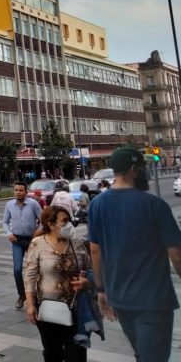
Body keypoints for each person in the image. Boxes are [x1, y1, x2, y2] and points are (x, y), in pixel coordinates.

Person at [88, 146, 181, 362]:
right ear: (134, 169)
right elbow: (176, 252)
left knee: (142, 353)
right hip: (152, 301)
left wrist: (101, 289)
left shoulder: (97, 205)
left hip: (119, 298)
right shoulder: (154, 205)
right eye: (143, 167)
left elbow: (95, 250)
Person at [23, 206, 92, 362]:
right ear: (51, 224)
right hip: (47, 309)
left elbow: (90, 269)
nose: (69, 225)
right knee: (52, 353)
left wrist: (87, 281)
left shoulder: (77, 244)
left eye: (70, 221)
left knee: (77, 355)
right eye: (65, 221)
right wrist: (30, 305)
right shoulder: (37, 243)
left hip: (76, 310)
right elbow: (30, 276)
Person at [2, 181, 42, 309]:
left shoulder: (33, 204)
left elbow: (43, 220)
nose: (18, 192)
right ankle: (22, 295)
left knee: (35, 269)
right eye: (16, 190)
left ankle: (36, 294)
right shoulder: (9, 205)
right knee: (17, 269)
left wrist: (37, 232)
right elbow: (5, 222)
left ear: (26, 192)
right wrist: (8, 233)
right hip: (17, 240)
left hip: (32, 240)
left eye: (21, 190)